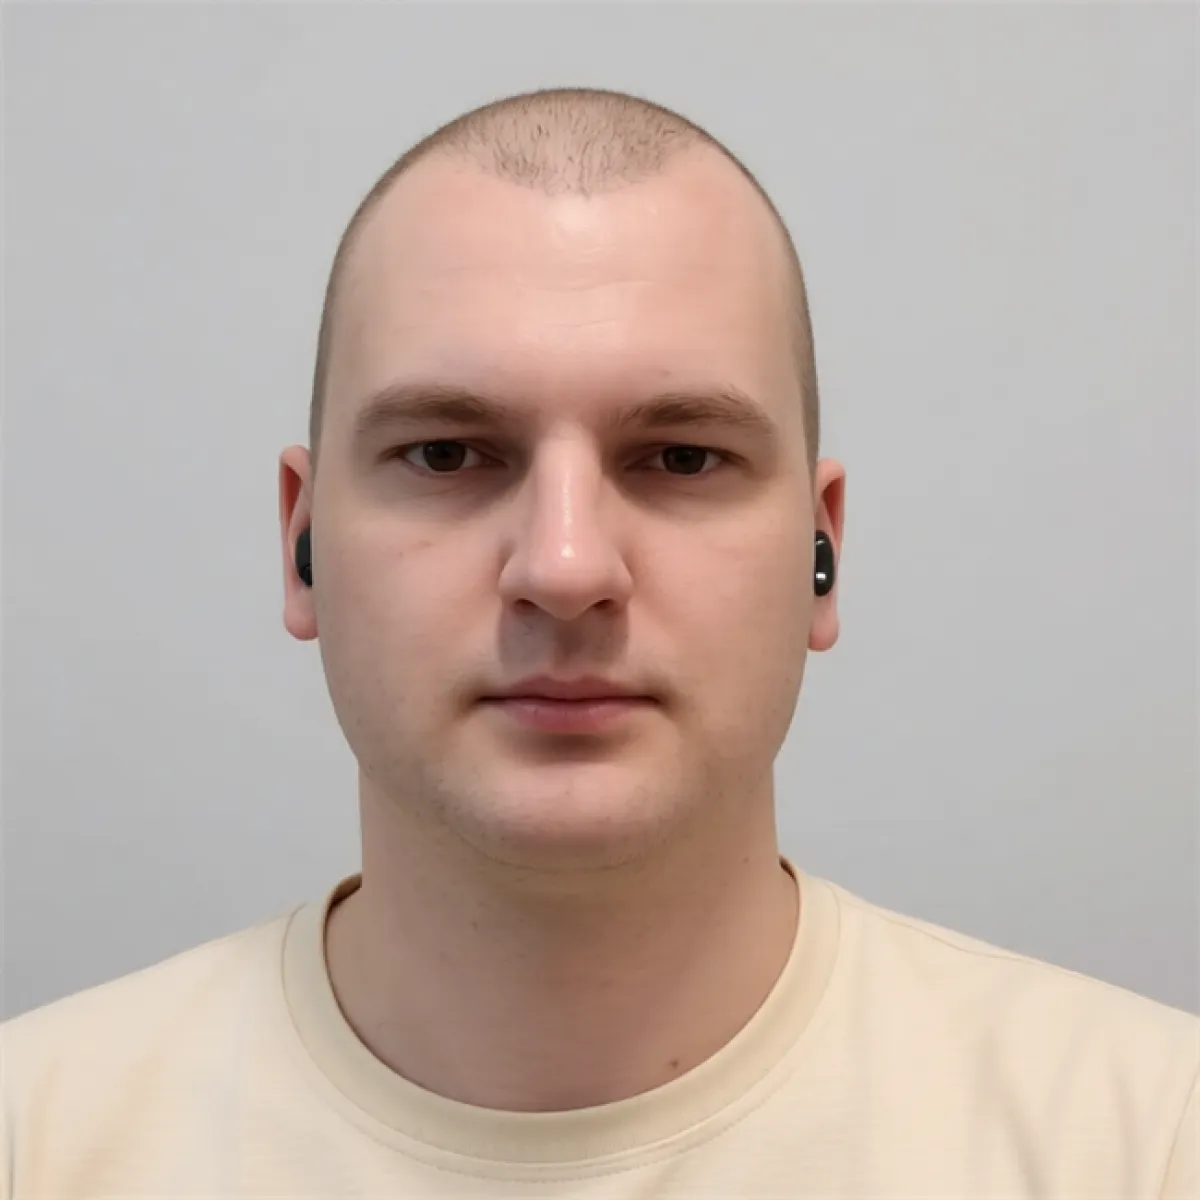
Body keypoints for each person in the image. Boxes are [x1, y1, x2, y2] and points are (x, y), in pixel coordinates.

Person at [2, 86, 1196, 1200]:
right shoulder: (35, 1140)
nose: (566, 569)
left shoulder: (1150, 1141)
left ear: (819, 551)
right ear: (301, 544)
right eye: (446, 454)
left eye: (682, 457)